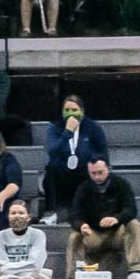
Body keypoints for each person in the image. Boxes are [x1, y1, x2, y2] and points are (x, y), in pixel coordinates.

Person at [66, 158, 140, 279]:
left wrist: (116, 218)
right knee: (74, 237)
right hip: (94, 235)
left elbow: (131, 209)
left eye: (100, 172)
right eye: (93, 173)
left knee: (134, 224)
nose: (97, 176)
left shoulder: (121, 184)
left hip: (117, 234)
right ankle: (72, 278)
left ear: (108, 168)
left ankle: (135, 270)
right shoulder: (84, 188)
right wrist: (82, 225)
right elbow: (75, 215)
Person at [41, 95, 104, 225]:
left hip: (85, 173)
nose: (71, 113)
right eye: (67, 109)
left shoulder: (93, 127)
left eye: (74, 109)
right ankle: (50, 212)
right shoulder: (55, 128)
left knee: (97, 169)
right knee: (52, 167)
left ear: (82, 111)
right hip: (63, 175)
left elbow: (103, 153)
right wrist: (68, 131)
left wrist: (93, 161)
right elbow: (52, 151)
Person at [0, 198, 58, 279]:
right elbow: (0, 268)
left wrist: (11, 267)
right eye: (13, 213)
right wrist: (21, 269)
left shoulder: (38, 235)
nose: (17, 216)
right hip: (6, 277)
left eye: (21, 213)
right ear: (8, 217)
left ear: (28, 217)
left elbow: (36, 264)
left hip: (33, 276)